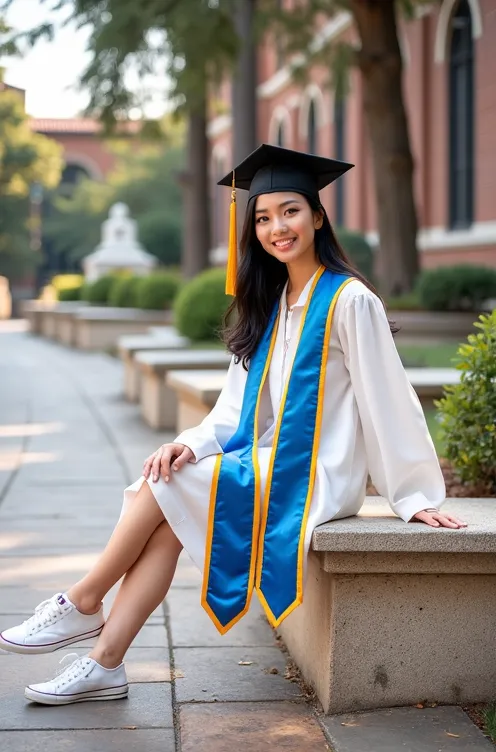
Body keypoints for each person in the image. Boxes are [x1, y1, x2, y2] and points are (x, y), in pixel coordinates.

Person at [0, 144, 467, 705]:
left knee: (164, 488)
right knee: (169, 489)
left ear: (318, 216)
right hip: (271, 460)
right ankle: (104, 663)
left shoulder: (351, 301)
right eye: (264, 218)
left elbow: (390, 400)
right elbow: (233, 408)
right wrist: (188, 445)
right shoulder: (271, 304)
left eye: (290, 211)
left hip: (321, 473)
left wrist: (413, 494)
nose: (277, 227)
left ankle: (81, 603)